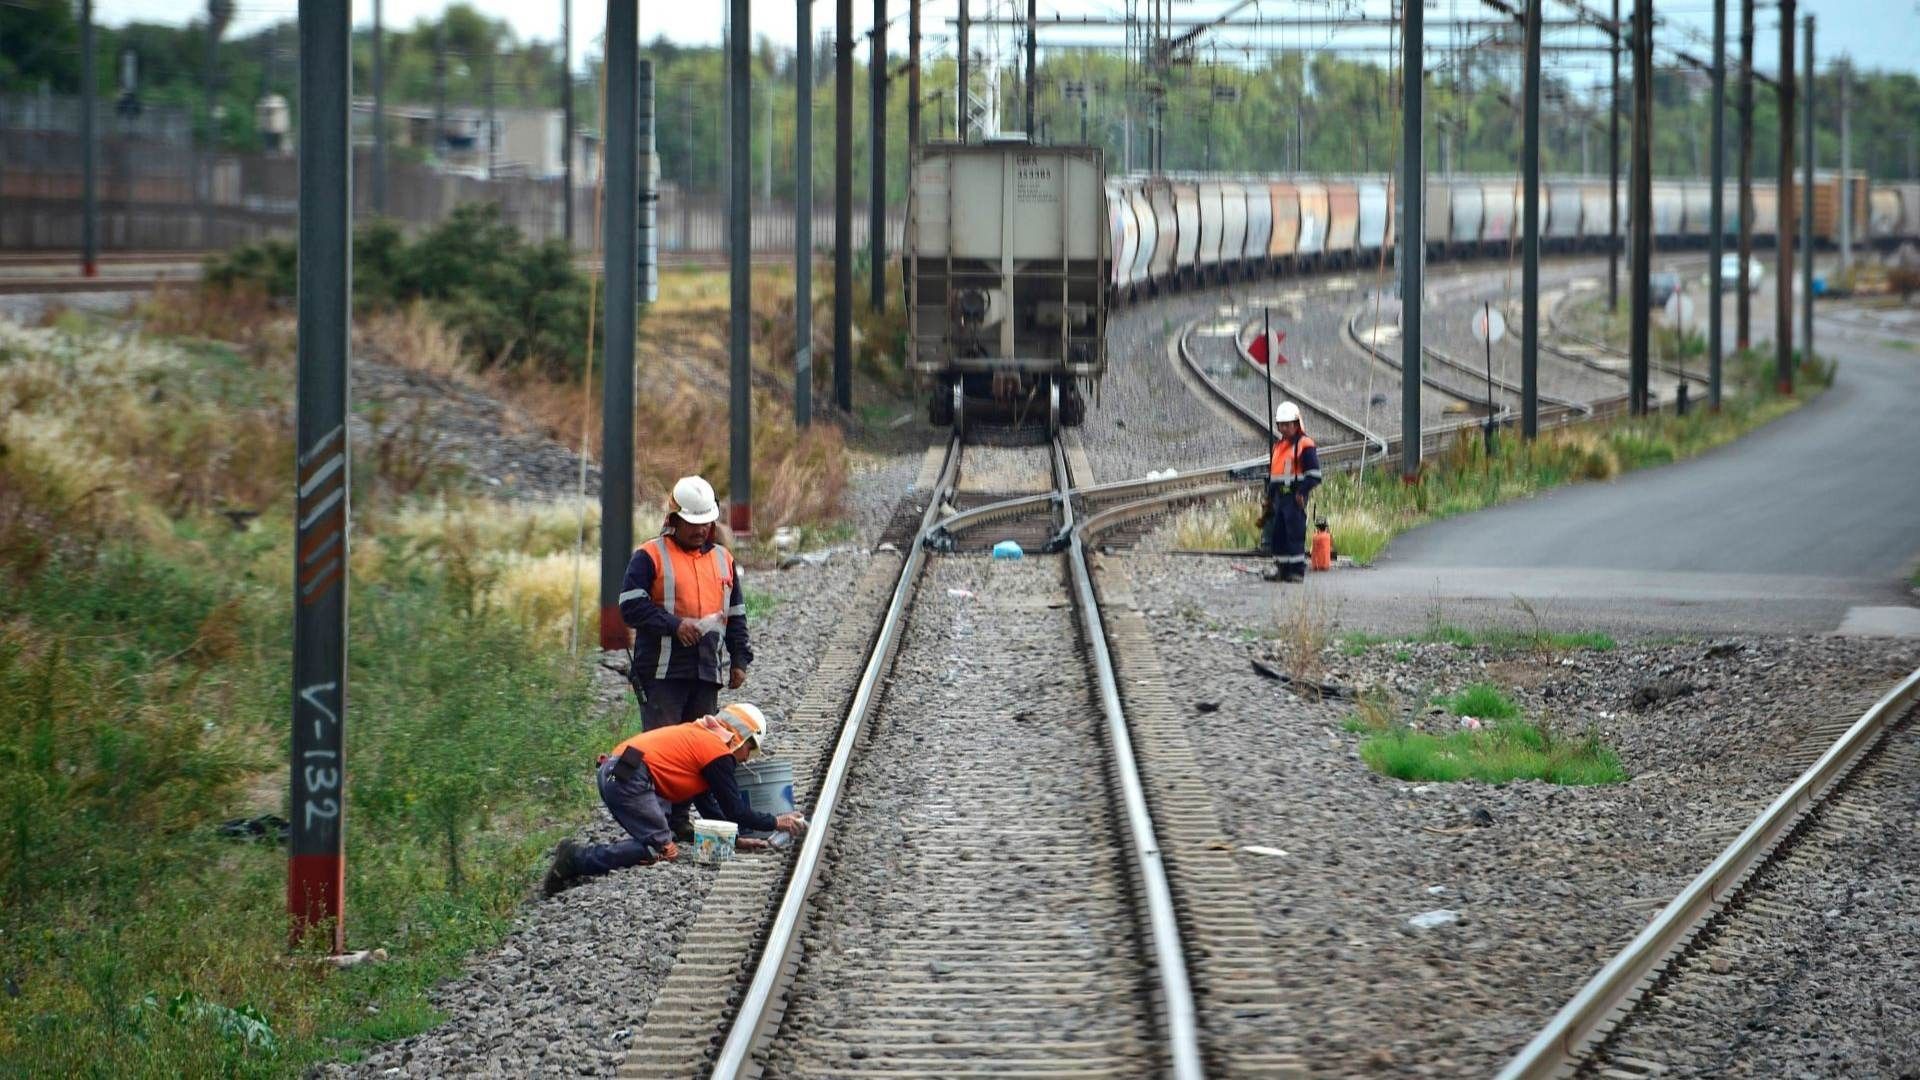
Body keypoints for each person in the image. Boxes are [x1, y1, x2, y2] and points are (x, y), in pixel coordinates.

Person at [543, 703, 805, 895]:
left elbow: (706, 805)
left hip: (613, 770)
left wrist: (734, 839)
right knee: (661, 849)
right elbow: (734, 809)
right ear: (742, 737)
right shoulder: (717, 752)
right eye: (750, 748)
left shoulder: (701, 737)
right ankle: (576, 859)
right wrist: (776, 821)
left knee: (656, 840)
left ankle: (576, 863)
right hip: (628, 776)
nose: (747, 757)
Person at [619, 475, 752, 732]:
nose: (700, 529)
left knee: (700, 750)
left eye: (705, 522)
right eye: (693, 523)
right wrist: (675, 625)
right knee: (665, 750)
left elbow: (735, 614)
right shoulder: (650, 555)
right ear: (674, 519)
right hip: (661, 676)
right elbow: (630, 606)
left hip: (706, 673)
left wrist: (739, 660)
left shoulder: (723, 559)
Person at [1261, 402, 1321, 583]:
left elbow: (1314, 475)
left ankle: (1296, 571)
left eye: (1288, 424)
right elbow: (1275, 476)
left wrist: (1301, 493)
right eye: (1281, 425)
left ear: (1296, 424)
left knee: (1294, 533)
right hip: (1280, 497)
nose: (1284, 428)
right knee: (1278, 534)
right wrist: (1269, 498)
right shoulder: (1279, 447)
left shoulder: (1305, 445)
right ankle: (1281, 569)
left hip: (1295, 497)